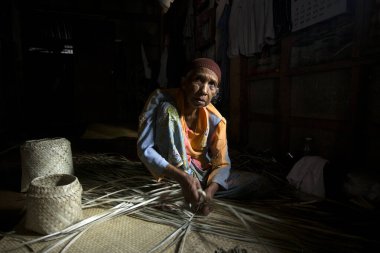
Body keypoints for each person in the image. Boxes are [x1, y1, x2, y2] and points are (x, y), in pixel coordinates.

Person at [137, 58, 231, 215]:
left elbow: (223, 163)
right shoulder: (160, 99)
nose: (204, 91)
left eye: (211, 85)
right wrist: (183, 178)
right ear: (184, 82)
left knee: (257, 184)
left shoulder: (216, 120)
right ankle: (172, 187)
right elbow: (145, 148)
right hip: (170, 170)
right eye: (198, 80)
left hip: (200, 173)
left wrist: (209, 194)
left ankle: (193, 192)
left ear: (215, 92)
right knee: (167, 110)